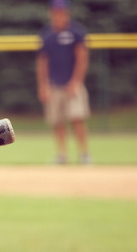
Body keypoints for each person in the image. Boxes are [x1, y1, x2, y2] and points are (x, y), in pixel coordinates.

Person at [36, 0, 91, 165]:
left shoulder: (76, 32)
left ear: (67, 13)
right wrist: (43, 85)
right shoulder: (47, 34)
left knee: (77, 118)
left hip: (72, 85)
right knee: (57, 121)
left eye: (62, 12)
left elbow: (82, 58)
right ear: (51, 13)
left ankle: (84, 154)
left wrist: (76, 82)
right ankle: (62, 155)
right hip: (54, 85)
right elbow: (42, 62)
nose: (58, 15)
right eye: (55, 12)